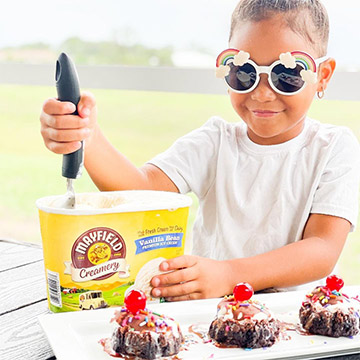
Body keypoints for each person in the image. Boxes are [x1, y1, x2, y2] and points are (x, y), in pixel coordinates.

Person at [40, 0, 360, 301]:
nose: (262, 94)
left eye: (287, 75)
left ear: (323, 76)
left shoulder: (334, 148)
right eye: (243, 71)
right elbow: (141, 191)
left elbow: (322, 249)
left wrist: (229, 275)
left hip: (299, 324)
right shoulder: (214, 142)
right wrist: (88, 135)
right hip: (214, 320)